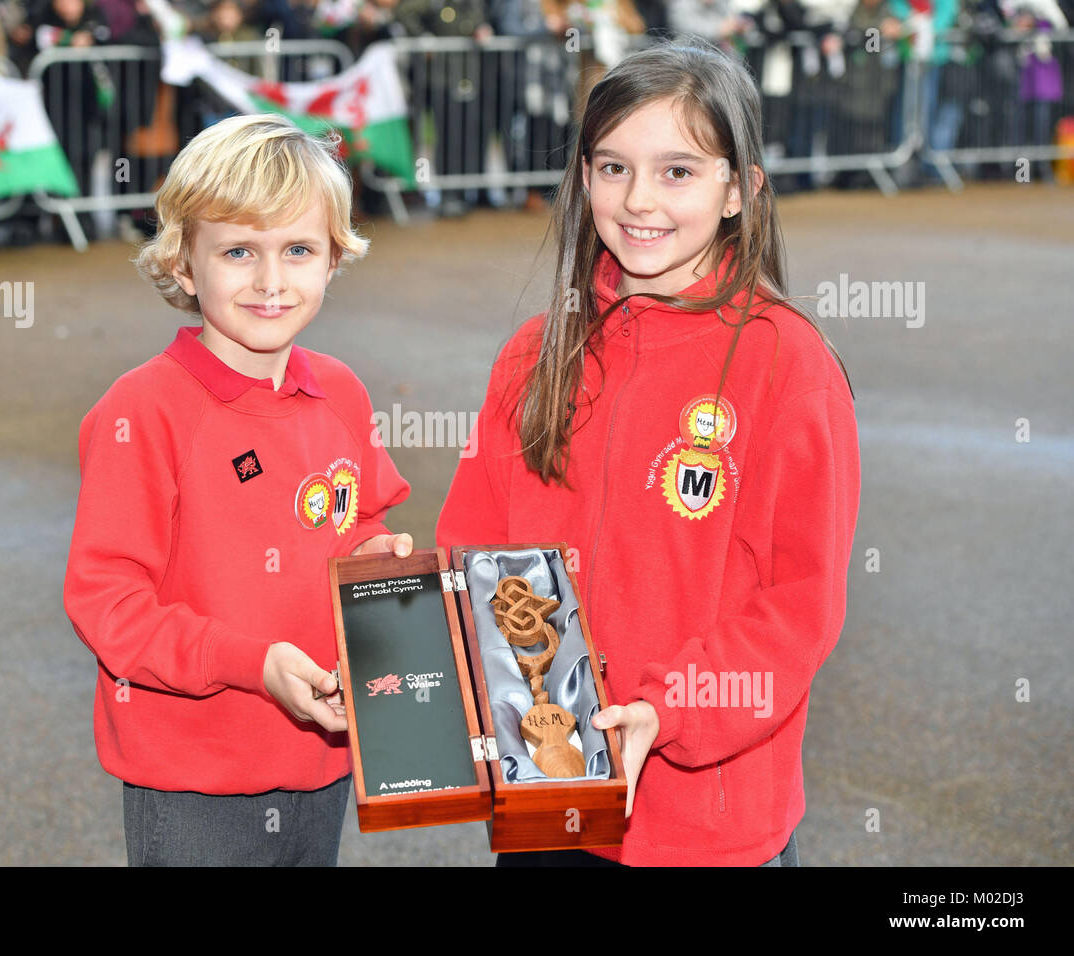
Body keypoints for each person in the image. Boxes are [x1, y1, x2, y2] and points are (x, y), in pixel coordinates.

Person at [435, 36, 861, 866]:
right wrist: (409, 614)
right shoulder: (536, 352)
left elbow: (797, 606)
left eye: (678, 170)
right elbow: (477, 550)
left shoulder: (787, 363)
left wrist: (671, 711)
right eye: (612, 167)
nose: (639, 200)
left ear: (739, 190)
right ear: (583, 177)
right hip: (550, 796)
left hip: (708, 826)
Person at [64, 114, 414, 866]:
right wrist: (247, 662)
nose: (270, 280)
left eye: (297, 250)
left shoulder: (343, 392)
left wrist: (377, 556)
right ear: (186, 265)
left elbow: (357, 526)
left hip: (324, 755)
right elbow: (109, 604)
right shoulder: (144, 410)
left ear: (332, 260)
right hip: (195, 774)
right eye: (237, 252)